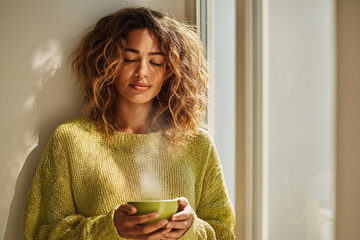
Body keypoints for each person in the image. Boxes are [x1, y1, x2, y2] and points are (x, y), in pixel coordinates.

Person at [24, 7, 235, 240]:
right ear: (108, 63)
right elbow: (41, 232)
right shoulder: (71, 140)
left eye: (156, 62)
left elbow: (224, 233)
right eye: (130, 59)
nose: (142, 72)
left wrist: (191, 228)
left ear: (170, 70)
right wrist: (108, 229)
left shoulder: (197, 144)